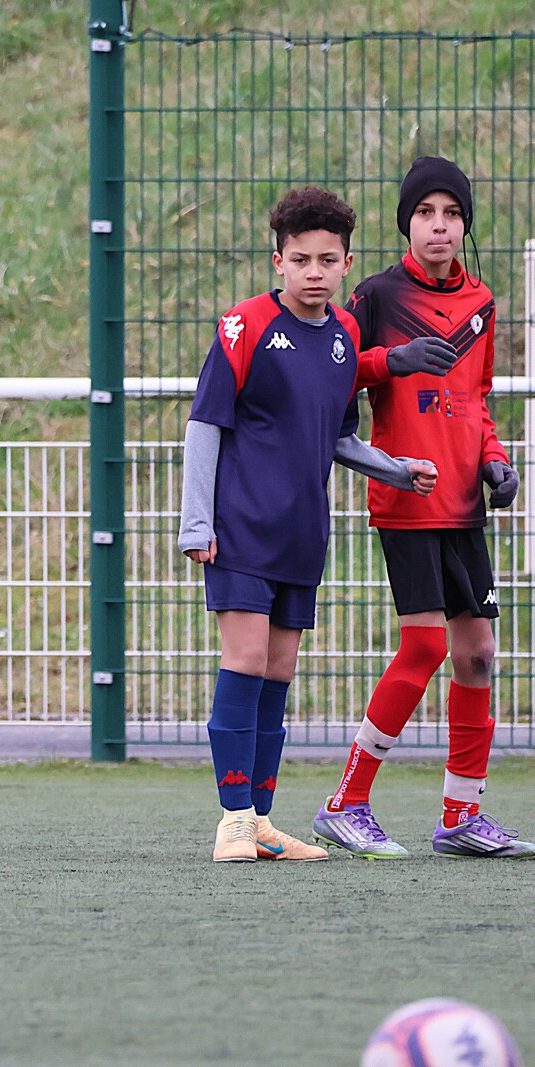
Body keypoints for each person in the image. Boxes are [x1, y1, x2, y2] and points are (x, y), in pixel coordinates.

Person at [179, 185, 438, 863]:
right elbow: (205, 424)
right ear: (278, 262)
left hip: (303, 534)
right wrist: (196, 524)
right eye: (300, 260)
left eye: (327, 260)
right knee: (244, 661)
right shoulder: (243, 327)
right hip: (240, 528)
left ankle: (262, 821)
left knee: (279, 671)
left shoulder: (346, 334)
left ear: (347, 263)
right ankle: (233, 820)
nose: (314, 272)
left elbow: (339, 437)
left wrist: (397, 469)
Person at [312, 157, 535, 859]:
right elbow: (335, 370)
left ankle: (461, 816)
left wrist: (496, 459)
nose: (439, 226)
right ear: (406, 223)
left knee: (478, 653)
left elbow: (477, 399)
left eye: (452, 214)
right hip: (407, 494)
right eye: (425, 213)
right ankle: (345, 802)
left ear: (465, 225)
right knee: (426, 646)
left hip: (465, 501)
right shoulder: (375, 296)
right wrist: (393, 361)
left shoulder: (482, 302)